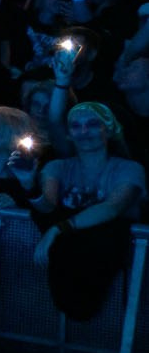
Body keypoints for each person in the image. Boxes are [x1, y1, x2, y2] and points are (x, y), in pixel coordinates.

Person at [29, 101, 144, 320]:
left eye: (92, 124)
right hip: (61, 274)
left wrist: (58, 229)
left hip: (117, 278)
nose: (84, 132)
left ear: (108, 129)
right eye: (76, 126)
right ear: (69, 134)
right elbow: (47, 206)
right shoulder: (57, 167)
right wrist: (28, 183)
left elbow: (111, 208)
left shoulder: (129, 169)